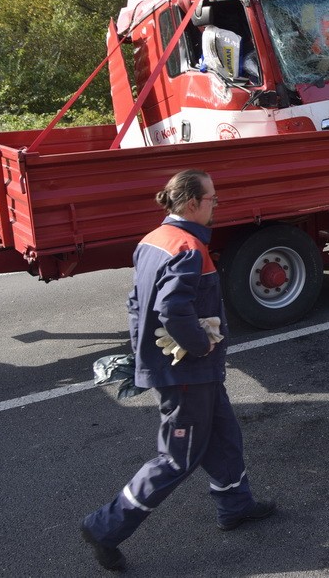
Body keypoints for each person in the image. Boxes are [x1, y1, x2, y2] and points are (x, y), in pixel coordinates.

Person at [81, 169, 275, 571]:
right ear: (191, 204)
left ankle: (236, 507)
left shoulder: (153, 240)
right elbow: (171, 309)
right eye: (212, 200)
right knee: (176, 458)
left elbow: (137, 305)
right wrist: (201, 344)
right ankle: (105, 527)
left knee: (224, 436)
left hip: (185, 370)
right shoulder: (189, 247)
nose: (216, 206)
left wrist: (142, 353)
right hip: (188, 372)